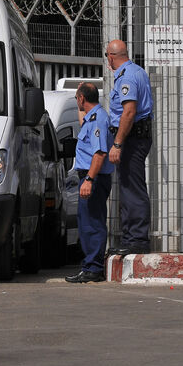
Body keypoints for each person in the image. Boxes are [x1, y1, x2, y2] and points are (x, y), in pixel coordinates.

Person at [106, 40, 153, 254]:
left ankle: (137, 239)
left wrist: (117, 143)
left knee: (132, 189)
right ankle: (131, 237)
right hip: (135, 136)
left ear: (112, 56)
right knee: (129, 187)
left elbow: (129, 112)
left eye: (107, 55)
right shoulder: (138, 71)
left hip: (131, 138)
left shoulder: (127, 76)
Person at [65, 82, 114, 283]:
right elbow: (83, 119)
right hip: (89, 177)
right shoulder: (92, 118)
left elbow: (100, 153)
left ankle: (93, 268)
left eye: (78, 97)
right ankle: (90, 266)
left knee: (92, 223)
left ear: (82, 99)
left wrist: (90, 180)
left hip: (93, 177)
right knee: (86, 223)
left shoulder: (98, 120)